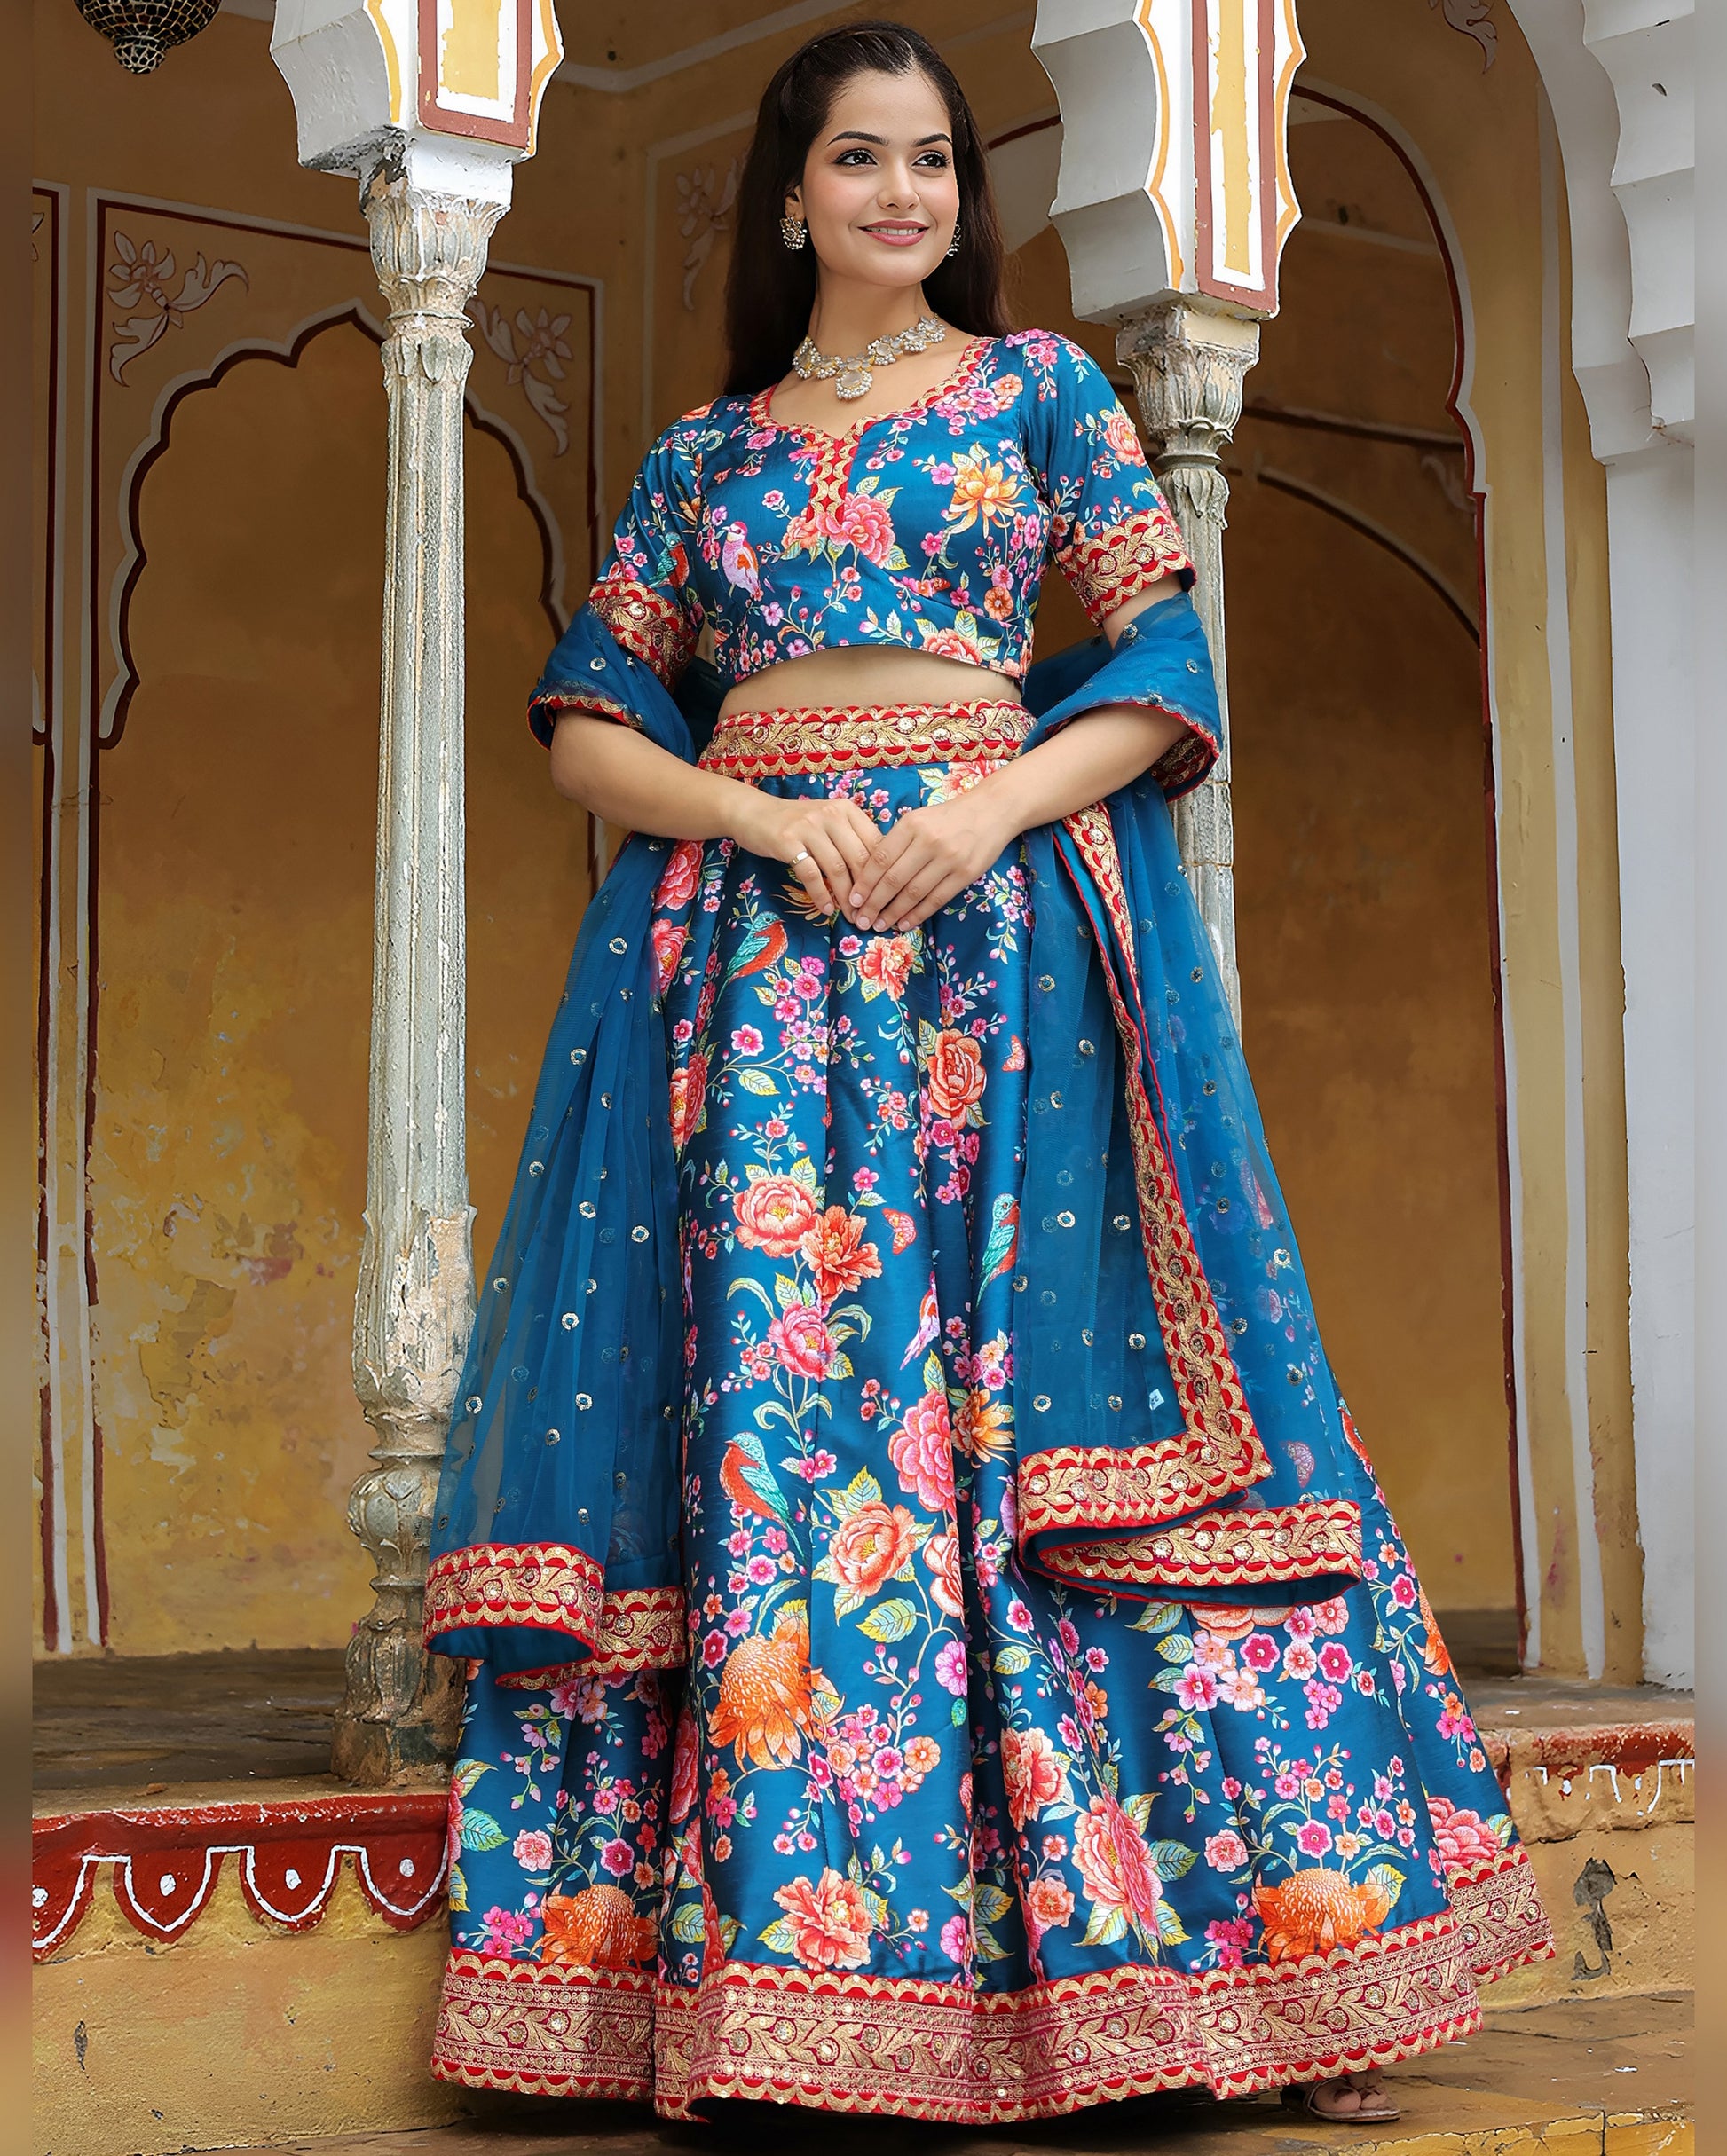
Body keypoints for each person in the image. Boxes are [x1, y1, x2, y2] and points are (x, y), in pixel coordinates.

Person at [419, 20, 1551, 2128]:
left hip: (991, 957)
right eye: (861, 160)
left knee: (1041, 1427)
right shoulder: (704, 455)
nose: (906, 195)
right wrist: (760, 823)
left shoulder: (1042, 394)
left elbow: (1159, 670)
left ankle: (1261, 1981)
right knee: (798, 1433)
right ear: (790, 195)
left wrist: (990, 806)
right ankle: (793, 1999)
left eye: (934, 160)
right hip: (759, 978)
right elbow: (589, 723)